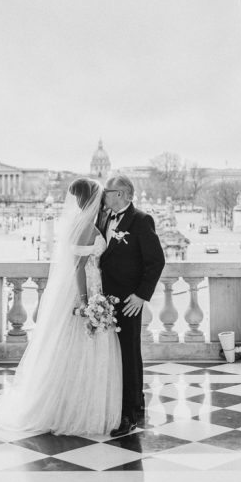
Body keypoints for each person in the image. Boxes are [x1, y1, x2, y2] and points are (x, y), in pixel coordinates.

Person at [0, 177, 121, 437]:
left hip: (92, 289)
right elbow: (79, 268)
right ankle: (80, 409)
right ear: (91, 199)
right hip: (88, 291)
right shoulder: (86, 228)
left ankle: (71, 404)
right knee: (84, 347)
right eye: (99, 196)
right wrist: (86, 302)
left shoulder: (81, 225)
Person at [99, 174, 165, 437]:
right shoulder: (104, 218)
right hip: (103, 301)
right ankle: (112, 406)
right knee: (110, 357)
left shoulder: (141, 220)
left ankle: (131, 413)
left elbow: (156, 261)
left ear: (123, 194)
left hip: (128, 302)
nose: (104, 194)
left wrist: (140, 296)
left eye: (108, 191)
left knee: (129, 355)